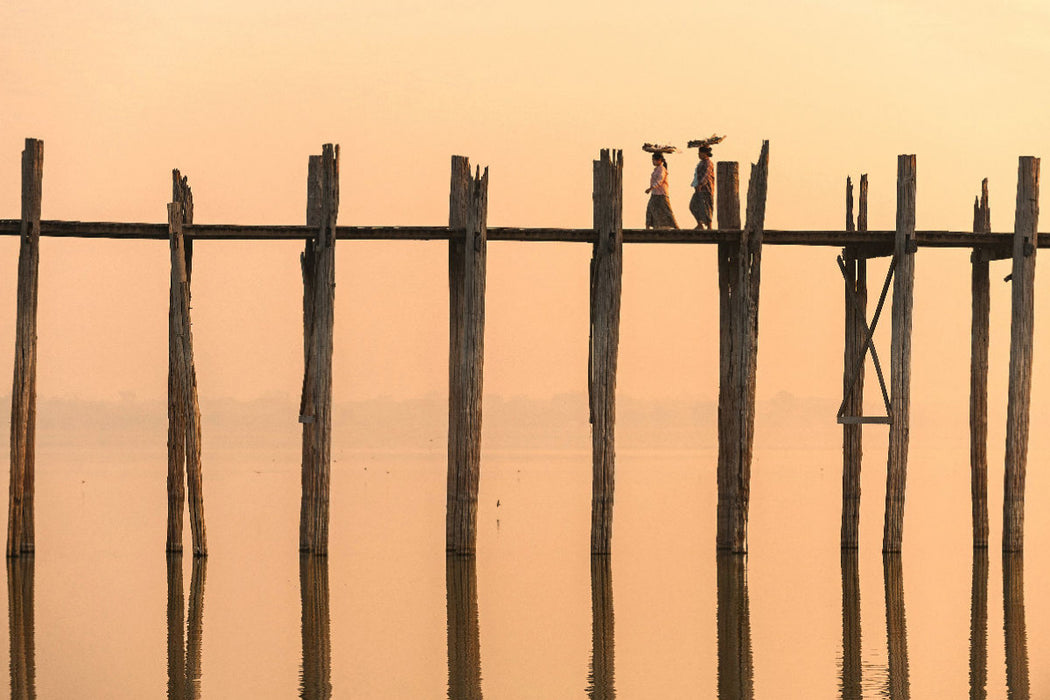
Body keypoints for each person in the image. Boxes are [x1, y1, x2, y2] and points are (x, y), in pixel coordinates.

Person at [645, 153, 679, 229]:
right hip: (655, 194)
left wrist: (650, 188)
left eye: (654, 160)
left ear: (659, 160)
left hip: (661, 194)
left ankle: (676, 227)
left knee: (667, 210)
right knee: (650, 208)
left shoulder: (662, 169)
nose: (653, 162)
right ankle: (648, 227)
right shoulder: (656, 169)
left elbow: (660, 180)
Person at [690, 146, 715, 229]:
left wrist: (701, 184)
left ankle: (709, 226)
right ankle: (700, 223)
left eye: (700, 153)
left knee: (706, 207)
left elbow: (706, 175)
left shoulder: (708, 163)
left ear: (705, 153)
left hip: (706, 189)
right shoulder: (701, 163)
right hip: (699, 188)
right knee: (693, 205)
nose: (699, 155)